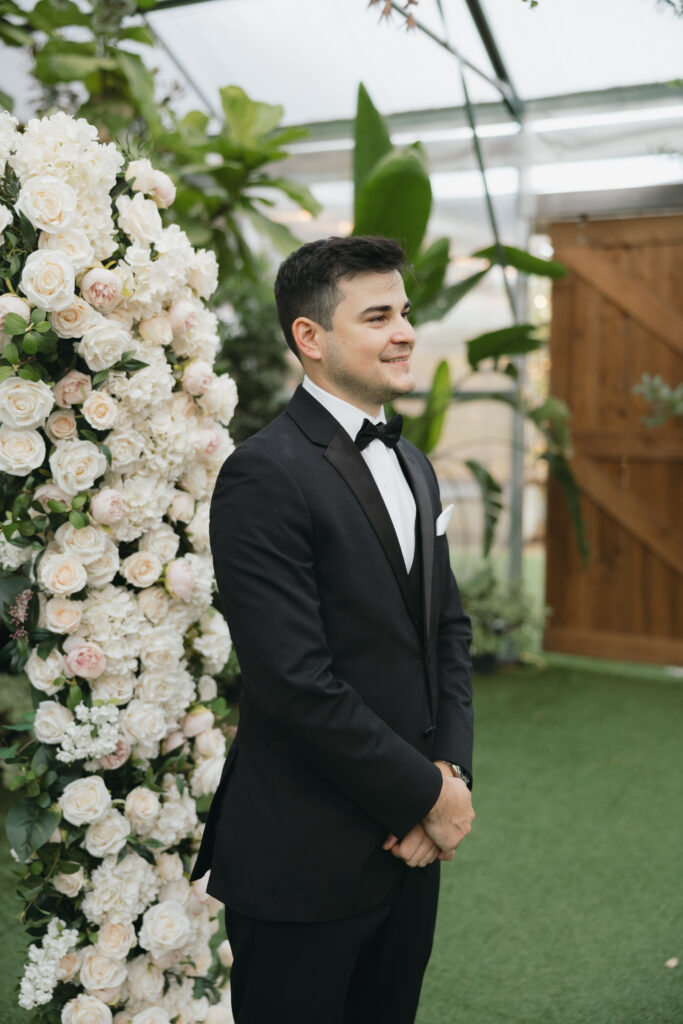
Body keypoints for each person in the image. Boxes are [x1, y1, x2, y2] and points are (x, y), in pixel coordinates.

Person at [190, 235, 475, 1024]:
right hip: (303, 857)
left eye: (404, 312)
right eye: (377, 315)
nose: (405, 331)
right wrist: (426, 798)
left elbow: (446, 631)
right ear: (309, 339)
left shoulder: (414, 465)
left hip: (411, 849)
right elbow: (293, 679)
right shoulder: (262, 473)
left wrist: (450, 777)